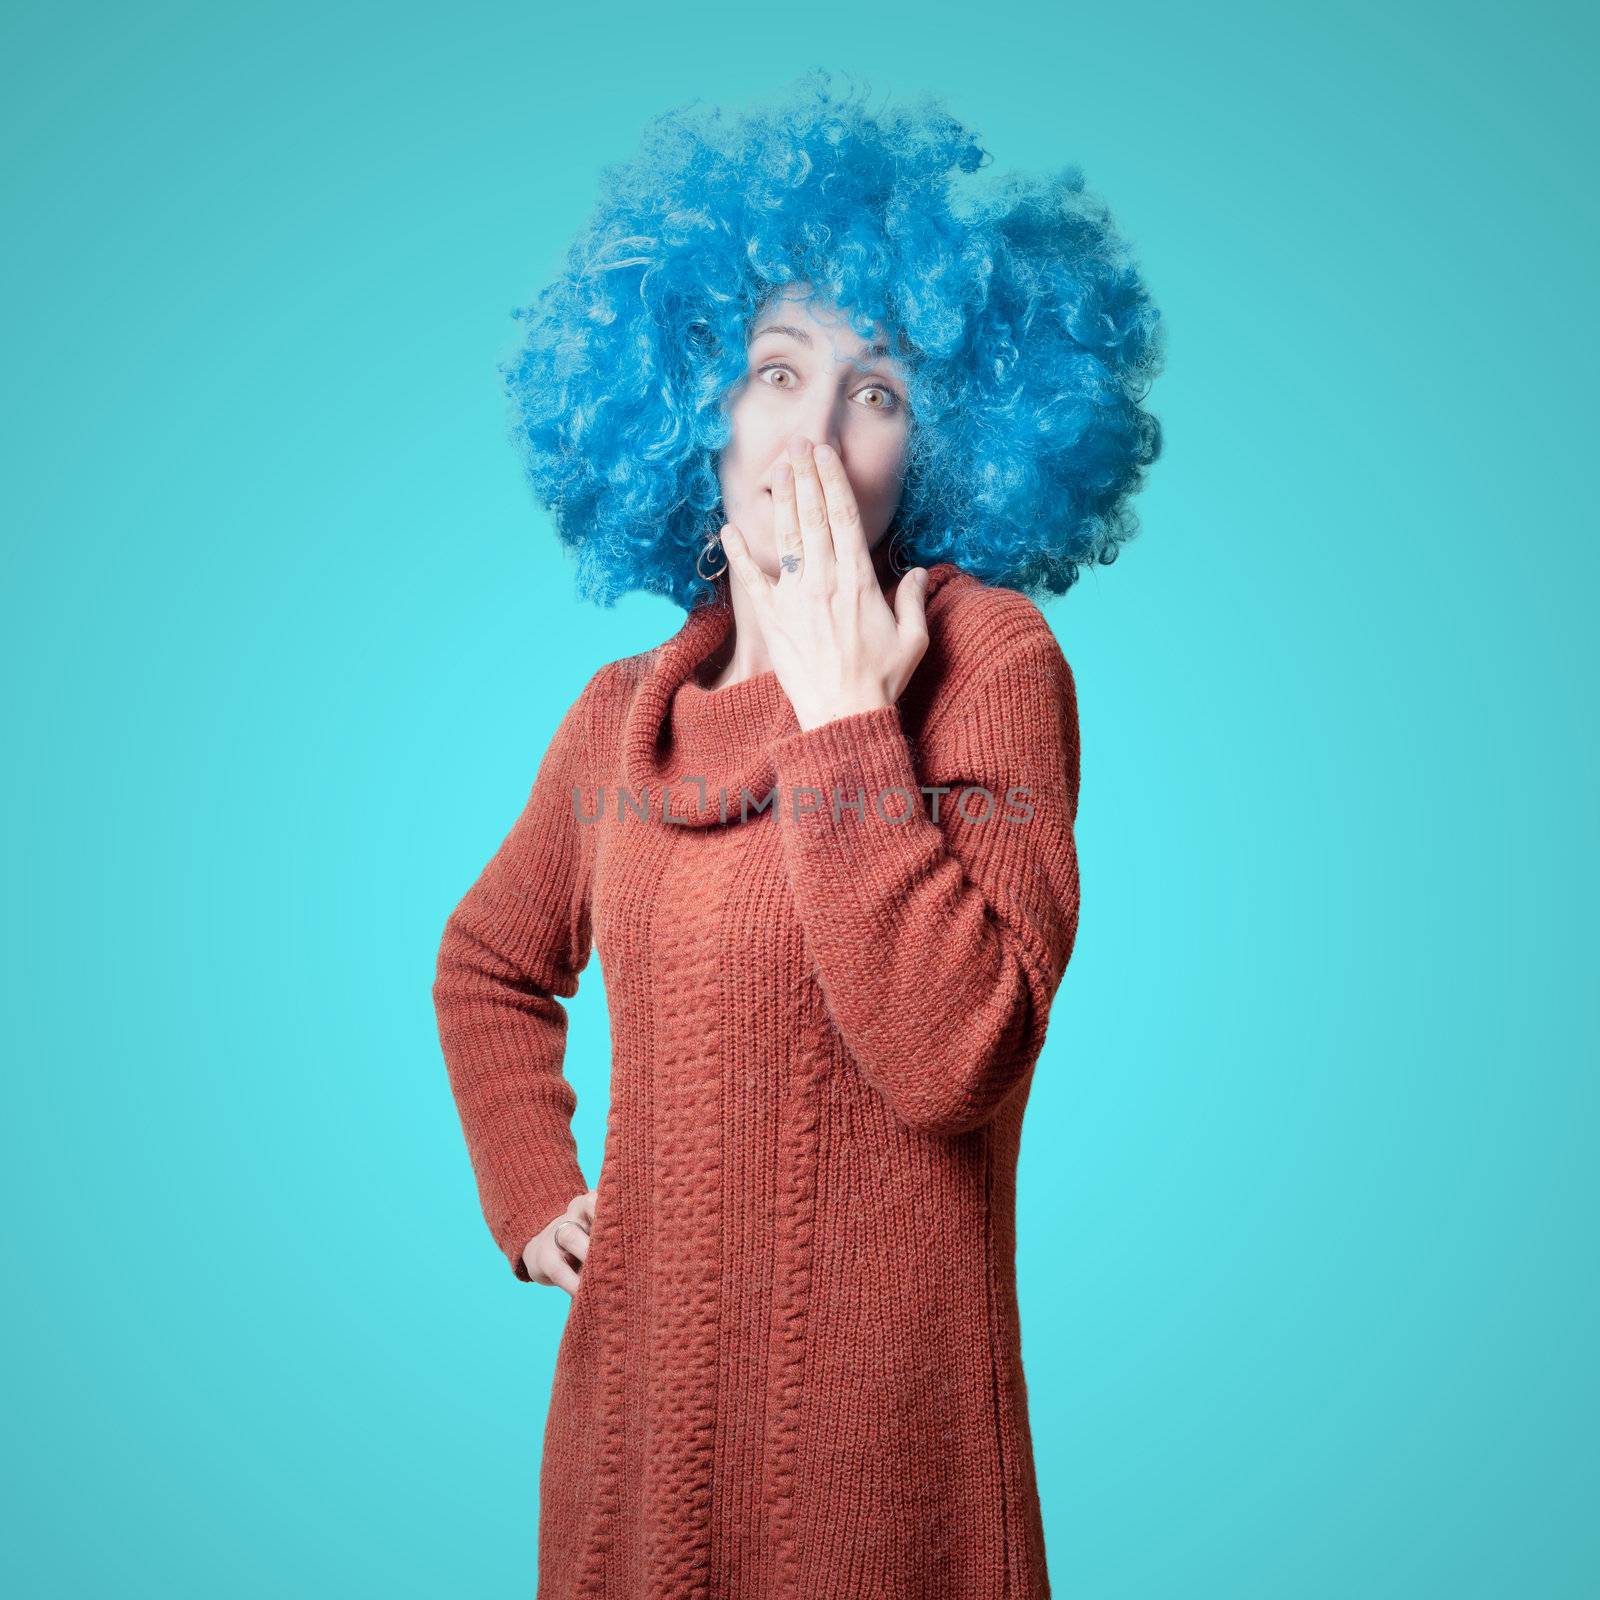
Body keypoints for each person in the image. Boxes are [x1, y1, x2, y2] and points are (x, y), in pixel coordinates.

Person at [433, 69, 1163, 1600]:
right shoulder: (624, 715)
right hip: (626, 1473)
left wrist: (845, 718)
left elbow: (954, 1053)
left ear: (946, 449)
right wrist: (528, 1188)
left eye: (879, 390)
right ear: (696, 401)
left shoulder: (991, 664)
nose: (815, 432)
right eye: (778, 369)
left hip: (890, 1497)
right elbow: (490, 961)